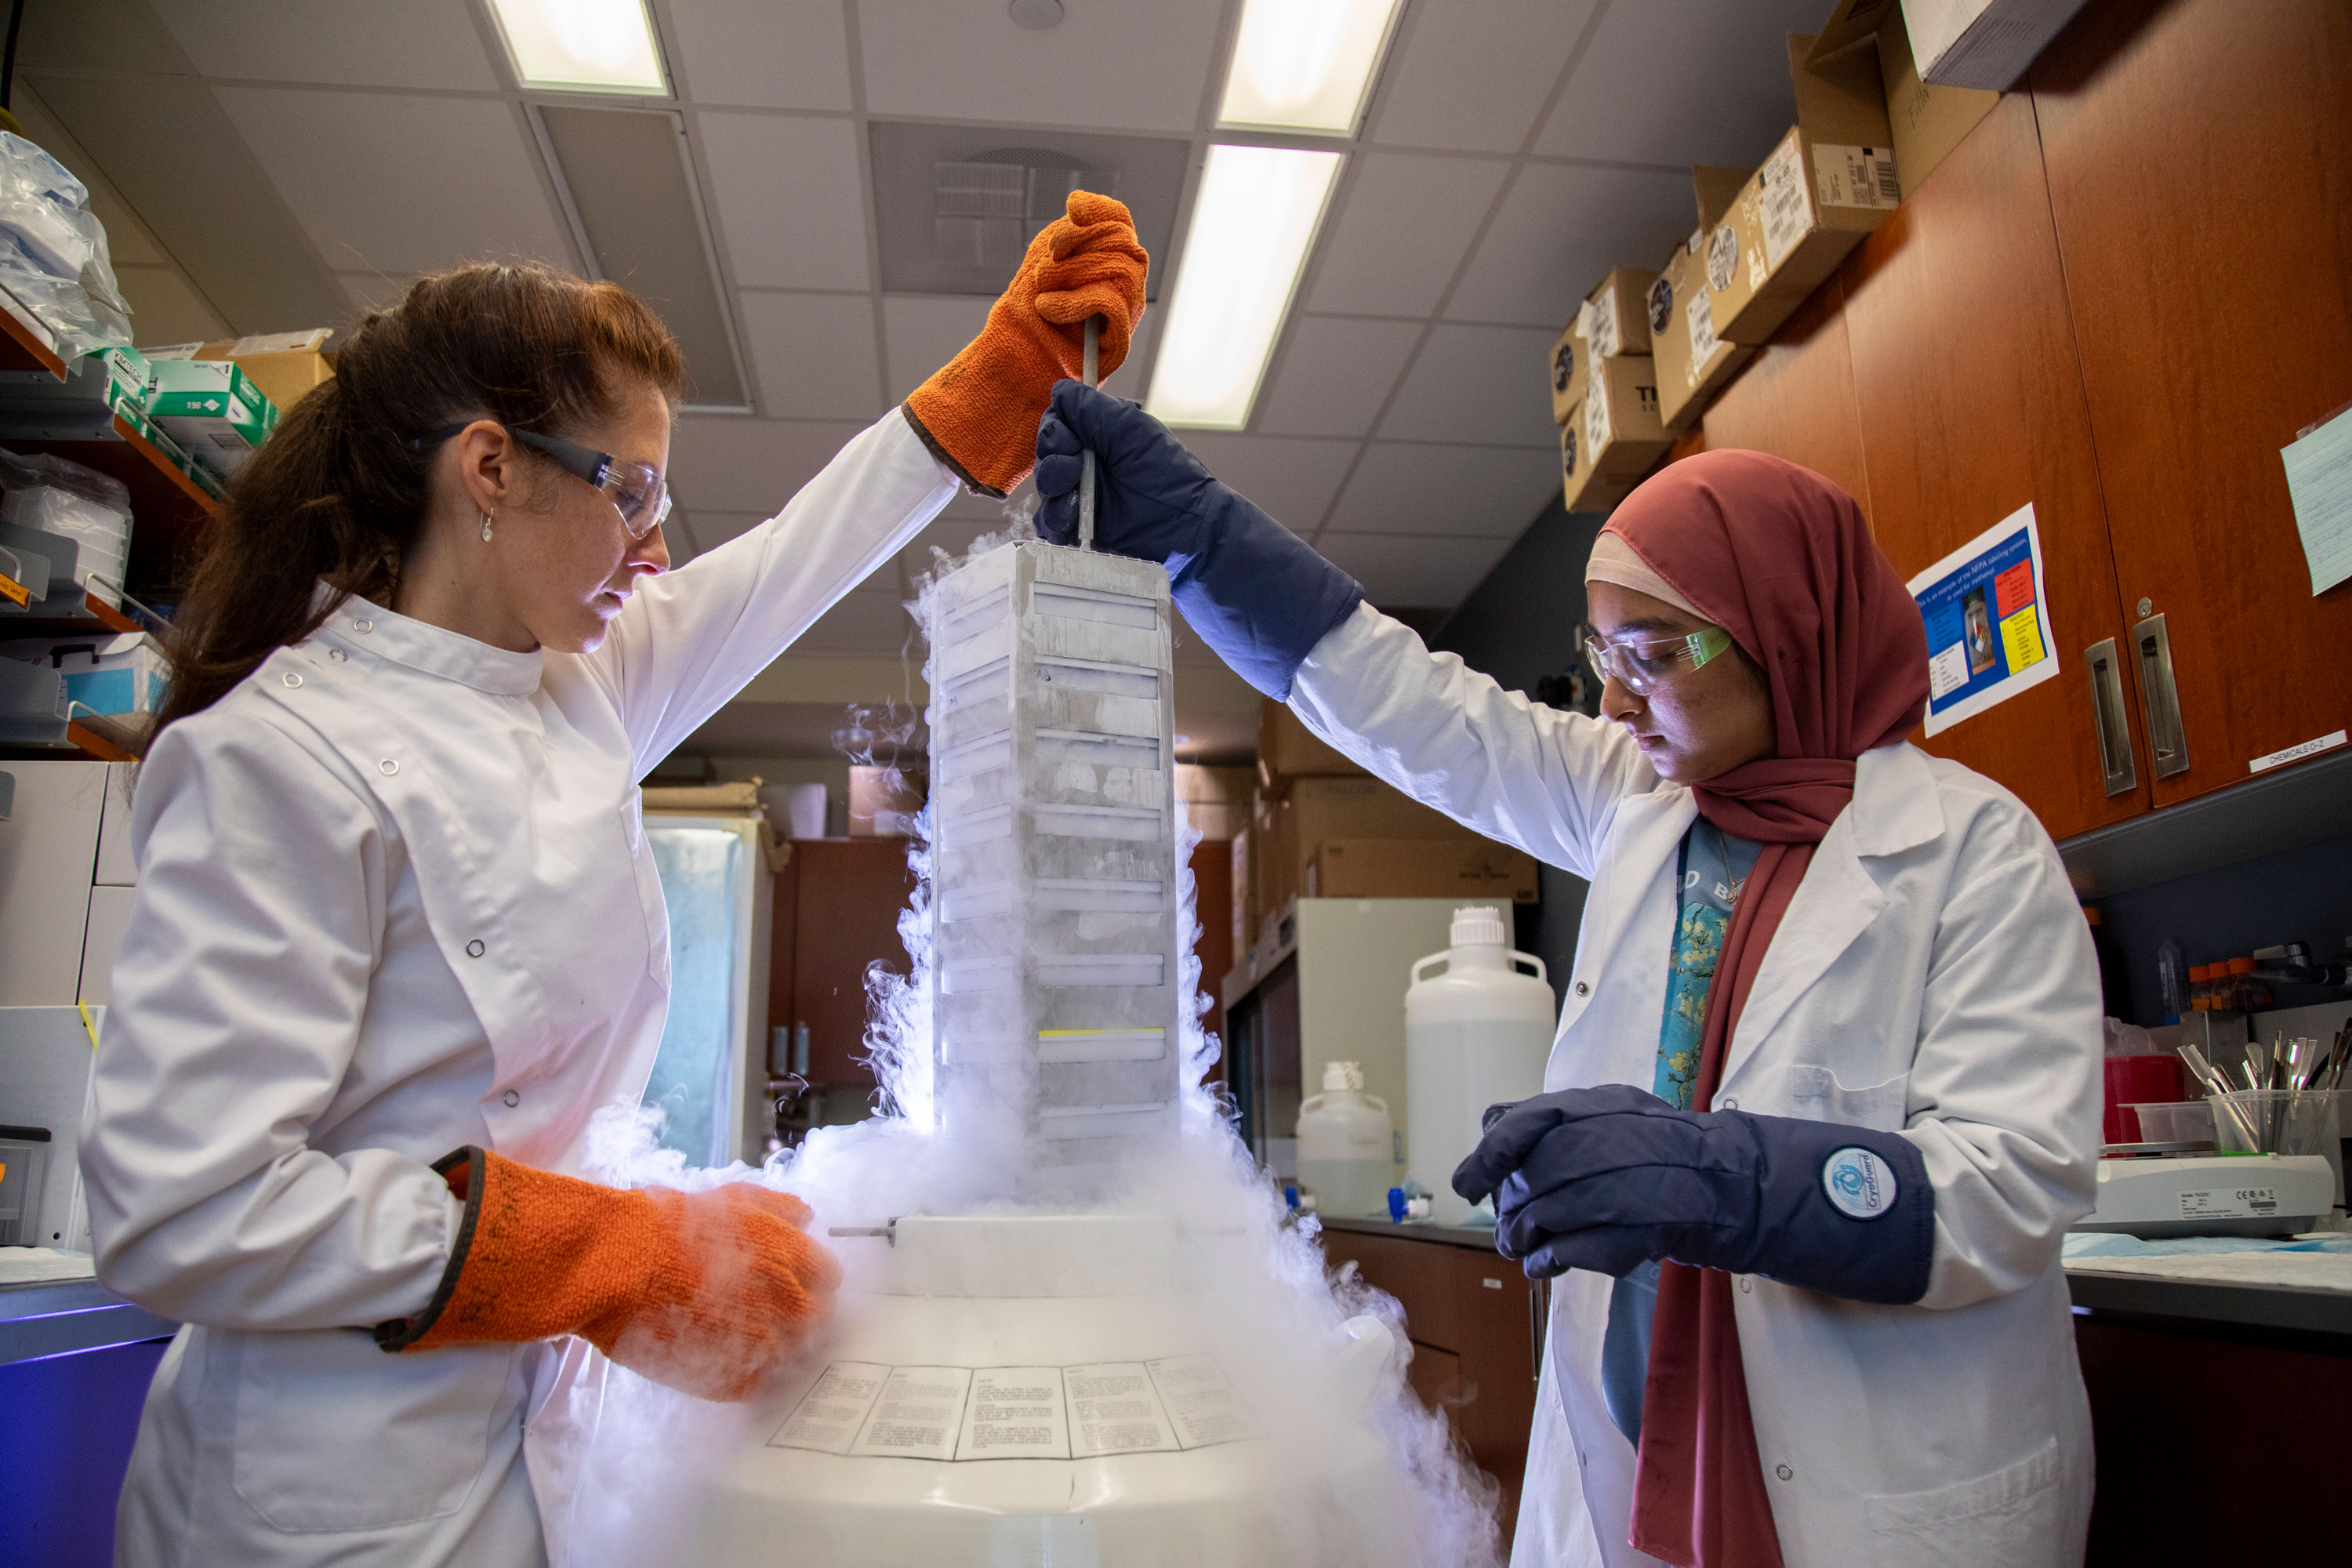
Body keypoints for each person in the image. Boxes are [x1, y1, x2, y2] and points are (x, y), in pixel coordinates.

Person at [79, 197, 1148, 1566]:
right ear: (489, 468)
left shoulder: (573, 690)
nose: (654, 544)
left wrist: (997, 379)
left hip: (540, 1446)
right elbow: (183, 1206)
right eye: (630, 490)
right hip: (319, 1491)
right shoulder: (282, 761)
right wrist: (613, 1255)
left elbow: (781, 571)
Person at [1031, 383, 2100, 1568]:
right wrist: (1203, 541)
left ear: (1787, 633)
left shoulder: (1975, 852)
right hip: (1635, 1468)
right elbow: (1427, 713)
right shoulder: (1640, 802)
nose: (1613, 697)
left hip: (1876, 1487)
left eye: (1654, 655)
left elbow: (2014, 1189)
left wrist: (1721, 1179)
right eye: (1604, 653)